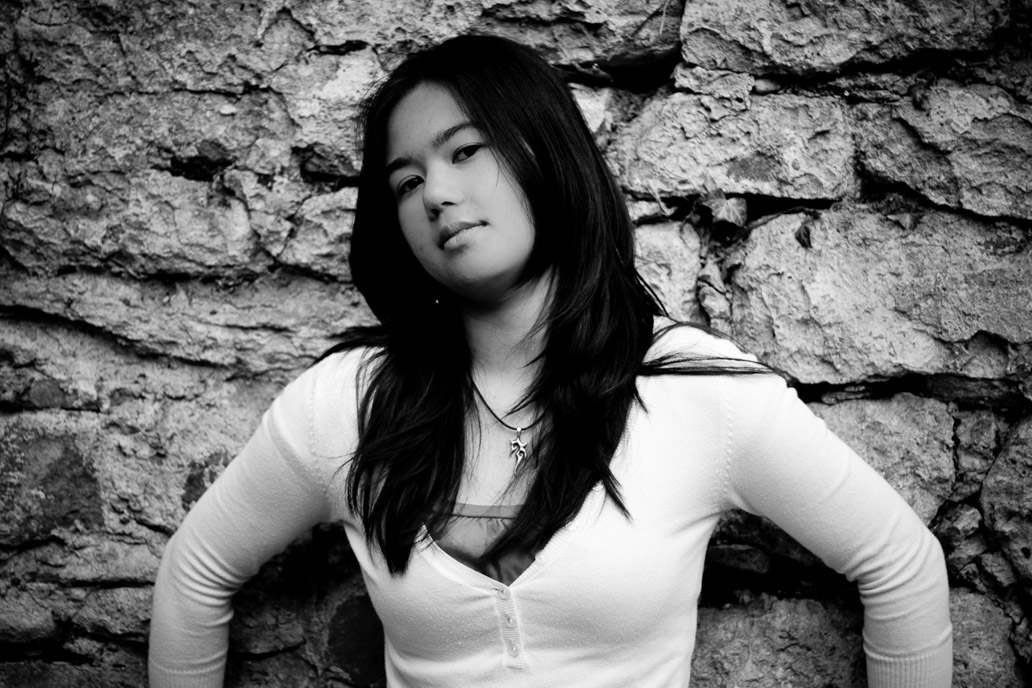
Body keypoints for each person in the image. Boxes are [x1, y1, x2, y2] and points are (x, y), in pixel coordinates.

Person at [148, 35, 952, 687]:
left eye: (466, 150)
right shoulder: (347, 406)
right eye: (406, 182)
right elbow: (195, 572)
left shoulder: (694, 392)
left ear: (546, 151)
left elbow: (902, 565)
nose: (435, 194)